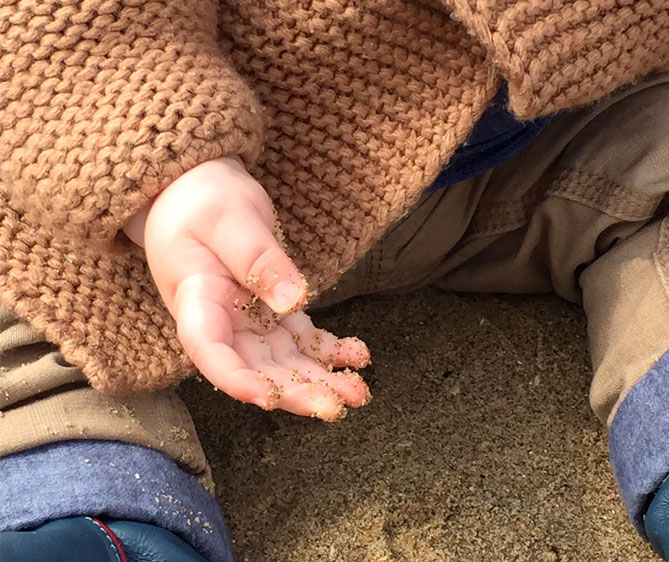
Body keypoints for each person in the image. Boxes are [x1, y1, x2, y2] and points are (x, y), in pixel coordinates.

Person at [1, 0, 669, 560]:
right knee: (27, 321)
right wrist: (153, 160)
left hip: (534, 140)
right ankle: (75, 516)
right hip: (135, 186)